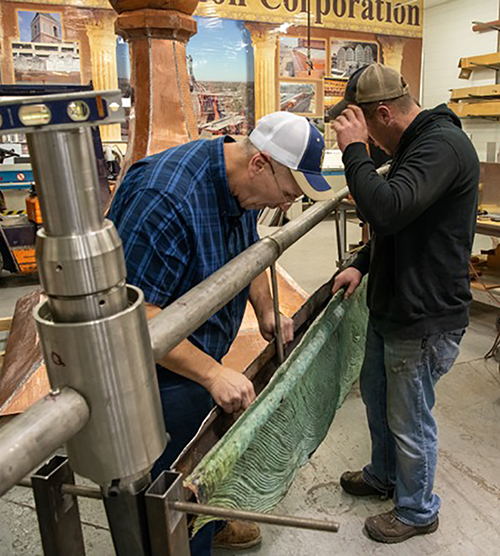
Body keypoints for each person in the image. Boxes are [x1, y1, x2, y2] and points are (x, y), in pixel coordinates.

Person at [107, 111, 337, 554]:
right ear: (260, 164)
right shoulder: (166, 200)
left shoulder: (240, 186)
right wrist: (212, 374)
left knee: (206, 465)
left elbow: (245, 252)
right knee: (169, 490)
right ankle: (183, 539)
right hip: (149, 375)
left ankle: (208, 524)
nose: (287, 205)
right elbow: (132, 316)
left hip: (194, 354)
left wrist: (268, 307)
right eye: (288, 193)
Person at [329, 63, 479, 543]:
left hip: (424, 315)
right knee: (377, 397)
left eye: (366, 130)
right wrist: (363, 262)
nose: (369, 143)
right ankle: (384, 476)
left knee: (410, 416)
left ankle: (417, 511)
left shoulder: (441, 147)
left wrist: (353, 152)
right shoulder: (416, 146)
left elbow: (388, 209)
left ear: (384, 114)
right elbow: (403, 221)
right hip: (395, 305)